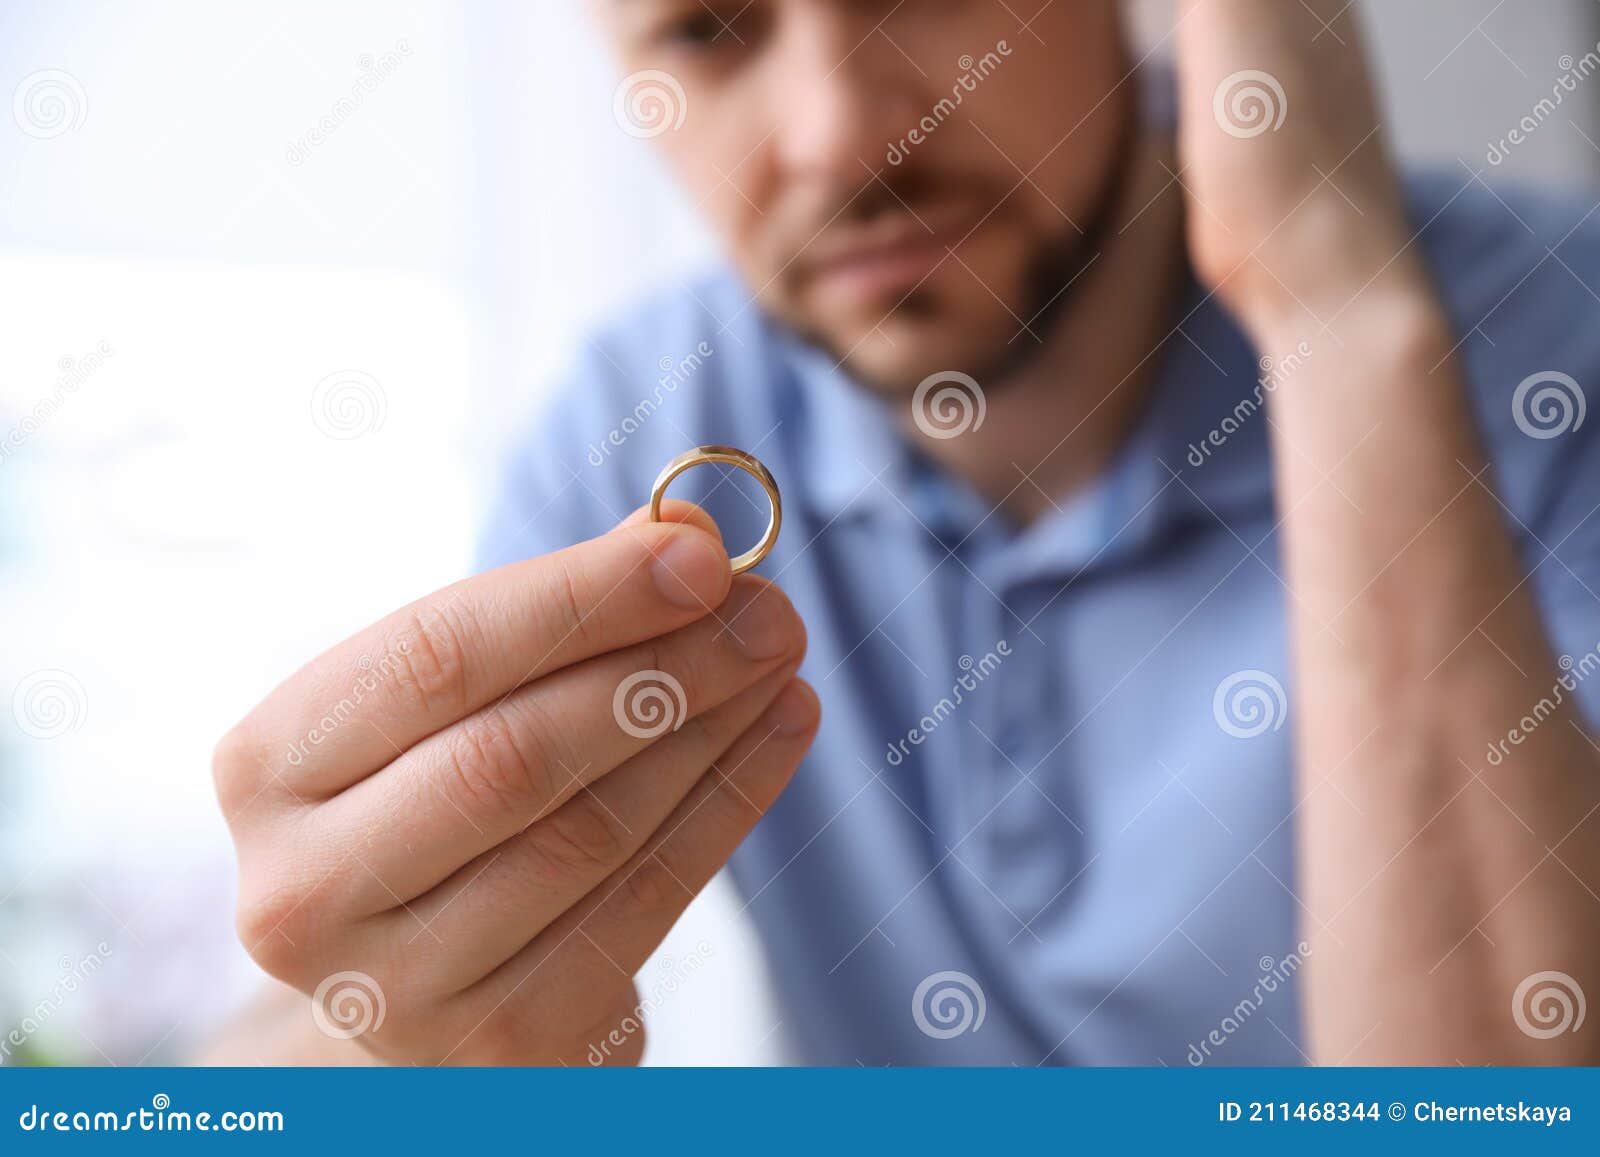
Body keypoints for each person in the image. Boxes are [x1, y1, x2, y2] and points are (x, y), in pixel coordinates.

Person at [209, 0, 1600, 1066]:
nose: (840, 134)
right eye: (708, 29)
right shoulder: (632, 441)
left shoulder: (1557, 352)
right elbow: (312, 1053)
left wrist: (1334, 309)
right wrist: (390, 1037)